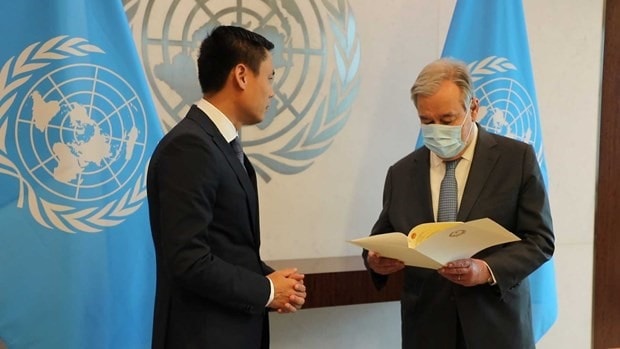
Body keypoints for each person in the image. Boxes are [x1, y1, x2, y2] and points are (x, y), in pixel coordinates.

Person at [363, 58, 554, 349]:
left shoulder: (516, 160)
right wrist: (376, 260)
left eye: (447, 119)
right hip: (426, 329)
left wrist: (486, 270)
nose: (436, 128)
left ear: (473, 109)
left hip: (496, 327)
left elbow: (540, 240)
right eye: (426, 121)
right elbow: (383, 236)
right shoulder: (401, 173)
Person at [147, 25, 306, 349]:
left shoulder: (218, 145)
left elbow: (226, 246)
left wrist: (275, 281)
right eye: (270, 77)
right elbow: (189, 260)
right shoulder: (191, 147)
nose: (273, 92)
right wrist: (267, 291)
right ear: (242, 75)